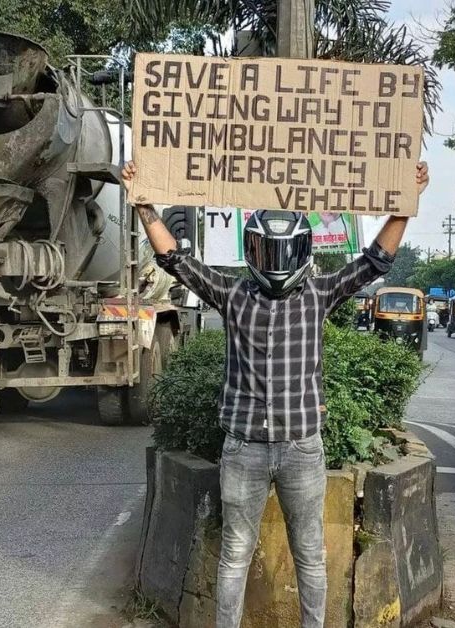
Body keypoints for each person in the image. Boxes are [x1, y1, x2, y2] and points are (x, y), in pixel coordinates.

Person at [122, 160, 429, 628]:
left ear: (301, 251)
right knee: (235, 555)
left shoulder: (320, 292)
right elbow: (175, 261)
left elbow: (374, 262)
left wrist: (405, 204)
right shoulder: (231, 293)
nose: (276, 262)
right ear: (253, 250)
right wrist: (144, 205)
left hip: (302, 447)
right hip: (243, 446)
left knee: (309, 554)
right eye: (267, 251)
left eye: (284, 251)